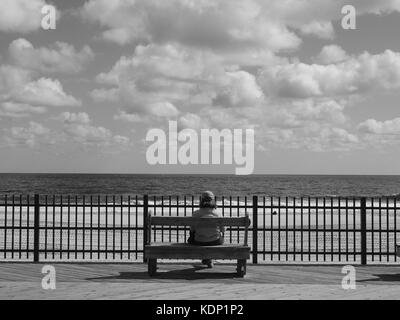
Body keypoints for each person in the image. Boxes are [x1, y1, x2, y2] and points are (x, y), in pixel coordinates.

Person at [187, 191, 225, 268]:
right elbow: (223, 230)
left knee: (191, 238)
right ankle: (208, 259)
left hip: (199, 241)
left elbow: (192, 229)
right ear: (213, 200)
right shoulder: (218, 213)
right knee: (218, 237)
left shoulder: (196, 213)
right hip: (215, 241)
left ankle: (206, 259)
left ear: (202, 200)